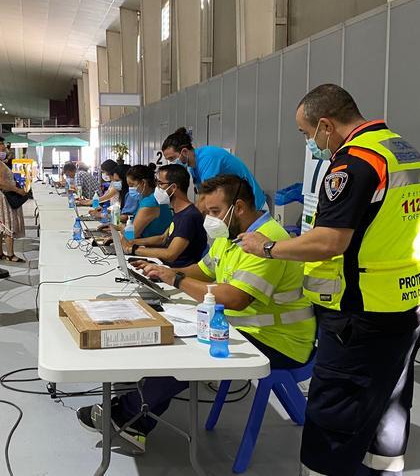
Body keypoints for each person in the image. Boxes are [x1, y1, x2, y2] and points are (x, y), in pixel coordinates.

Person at [236, 84, 420, 476]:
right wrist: (387, 238)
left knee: (336, 410)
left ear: (326, 124)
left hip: (360, 311)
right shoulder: (400, 149)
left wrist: (267, 248)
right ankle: (383, 467)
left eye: (307, 133)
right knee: (390, 394)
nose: (311, 142)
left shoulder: (354, 162)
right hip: (410, 299)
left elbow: (330, 241)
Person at [78, 175, 316, 452]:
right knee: (171, 331)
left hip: (278, 341)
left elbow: (237, 299)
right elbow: (204, 271)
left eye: (215, 212)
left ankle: (126, 414)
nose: (210, 219)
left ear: (238, 207)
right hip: (244, 328)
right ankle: (137, 420)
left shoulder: (268, 239)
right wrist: (161, 272)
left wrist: (176, 280)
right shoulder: (230, 235)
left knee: (189, 350)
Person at [119, 164, 207, 268]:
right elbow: (163, 239)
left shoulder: (189, 216)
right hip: (164, 265)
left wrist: (133, 249)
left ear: (173, 187)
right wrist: (131, 242)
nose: (157, 188)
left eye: (160, 184)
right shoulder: (178, 212)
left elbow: (170, 254)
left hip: (176, 270)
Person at [160, 127, 267, 209]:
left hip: (254, 206)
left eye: (172, 158)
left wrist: (188, 214)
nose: (171, 163)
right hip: (236, 205)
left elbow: (207, 195)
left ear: (184, 152)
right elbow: (201, 194)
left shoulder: (208, 158)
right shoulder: (193, 167)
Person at [0, 140, 27, 262]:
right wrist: (18, 190)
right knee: (7, 225)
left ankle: (0, 253)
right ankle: (10, 254)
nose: (4, 152)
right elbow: (1, 183)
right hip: (1, 197)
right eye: (2, 150)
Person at [124, 164, 173, 238]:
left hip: (152, 247)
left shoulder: (150, 203)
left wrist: (119, 232)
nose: (130, 188)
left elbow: (131, 235)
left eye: (132, 185)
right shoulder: (150, 198)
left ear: (143, 183)